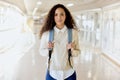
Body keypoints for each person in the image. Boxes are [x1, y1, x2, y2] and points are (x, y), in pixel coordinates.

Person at [39, 4, 80, 80]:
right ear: (52, 17)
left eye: (62, 14)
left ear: (65, 16)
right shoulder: (47, 34)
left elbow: (78, 52)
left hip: (69, 73)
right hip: (52, 73)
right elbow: (41, 51)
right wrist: (48, 49)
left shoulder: (73, 33)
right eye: (56, 15)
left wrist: (72, 49)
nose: (59, 17)